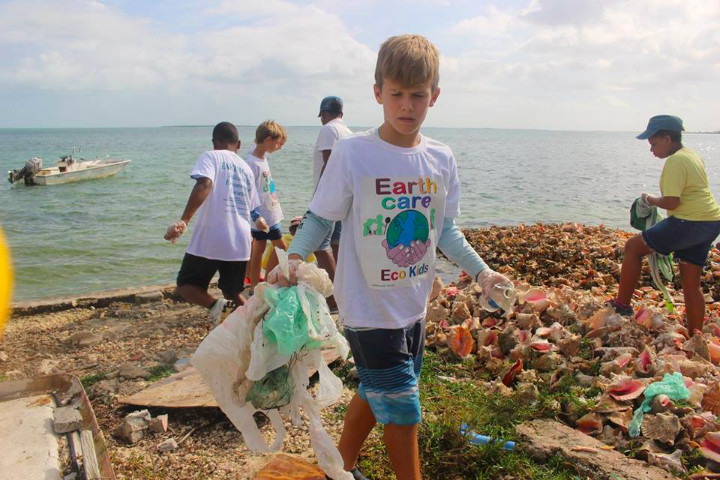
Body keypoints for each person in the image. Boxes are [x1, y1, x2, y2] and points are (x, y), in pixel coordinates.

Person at [268, 34, 512, 480]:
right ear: (377, 92)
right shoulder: (353, 153)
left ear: (434, 96)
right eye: (396, 94)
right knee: (403, 410)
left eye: (417, 95)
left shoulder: (440, 158)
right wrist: (294, 258)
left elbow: (445, 231)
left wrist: (483, 273)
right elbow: (322, 219)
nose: (406, 105)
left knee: (374, 388)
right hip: (367, 310)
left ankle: (337, 468)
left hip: (412, 308)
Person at [608, 115, 720, 335]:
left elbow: (672, 201)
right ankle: (694, 336)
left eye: (653, 143)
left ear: (667, 138)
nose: (651, 150)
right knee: (691, 283)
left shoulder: (675, 160)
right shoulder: (692, 155)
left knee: (633, 247)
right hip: (710, 221)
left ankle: (621, 305)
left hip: (688, 221)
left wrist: (649, 199)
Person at [164, 122, 261, 325]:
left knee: (186, 284)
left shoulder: (211, 156)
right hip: (241, 239)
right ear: (239, 144)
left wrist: (184, 220)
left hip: (213, 235)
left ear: (215, 142)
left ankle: (216, 307)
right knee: (232, 289)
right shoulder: (246, 169)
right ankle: (253, 323)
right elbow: (252, 208)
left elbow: (205, 183)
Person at [312, 95, 353, 309]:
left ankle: (334, 298)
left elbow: (329, 164)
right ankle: (344, 293)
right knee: (337, 245)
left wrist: (319, 197)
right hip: (344, 196)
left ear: (325, 114)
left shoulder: (328, 129)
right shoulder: (348, 132)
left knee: (320, 245)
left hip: (329, 197)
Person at [245, 120, 288, 292]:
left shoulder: (260, 157)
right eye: (278, 143)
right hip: (263, 216)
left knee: (259, 247)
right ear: (268, 139)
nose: (279, 147)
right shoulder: (252, 162)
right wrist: (256, 216)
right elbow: (248, 191)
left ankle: (256, 284)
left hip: (270, 212)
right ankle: (266, 282)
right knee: (281, 247)